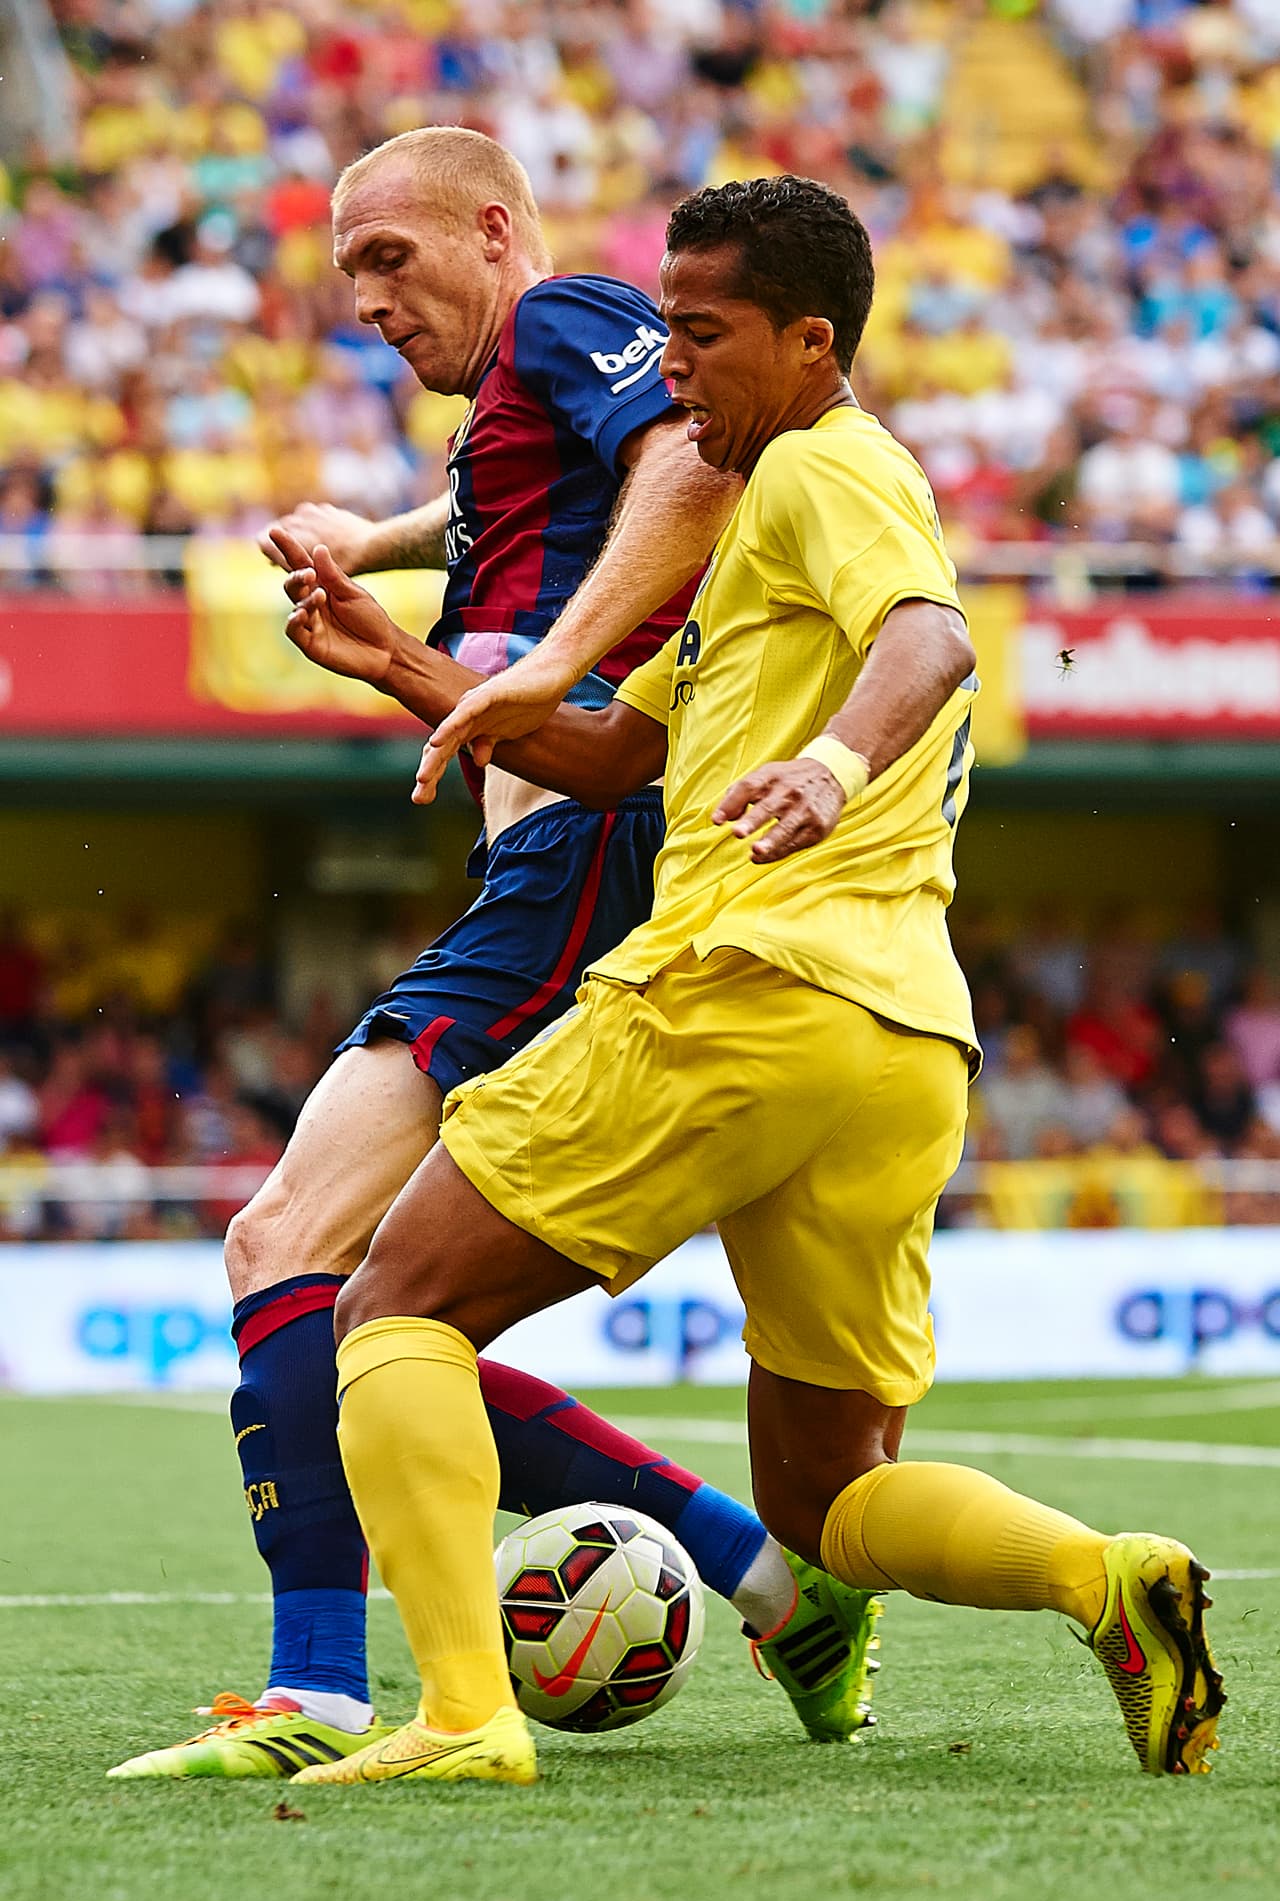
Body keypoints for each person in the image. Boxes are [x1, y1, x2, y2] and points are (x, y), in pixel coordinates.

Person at [277, 174, 1224, 1790]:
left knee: (390, 1305)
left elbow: (930, 640)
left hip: (741, 988)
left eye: (702, 338)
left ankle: (457, 1715)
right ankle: (1104, 1577)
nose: (675, 369)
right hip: (898, 1044)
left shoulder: (833, 471)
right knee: (824, 1498)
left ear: (809, 341)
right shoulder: (751, 531)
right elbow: (609, 751)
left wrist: (834, 768)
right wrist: (406, 664)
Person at [108, 132, 880, 1782]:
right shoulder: (512, 435)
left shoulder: (570, 324)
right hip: (557, 863)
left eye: (392, 257)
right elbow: (510, 501)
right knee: (379, 1309)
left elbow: (686, 455)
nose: (368, 299)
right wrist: (378, 550)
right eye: (346, 276)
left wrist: (555, 670)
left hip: (583, 861)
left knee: (285, 1238)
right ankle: (764, 1574)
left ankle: (316, 1686)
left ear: (495, 229)